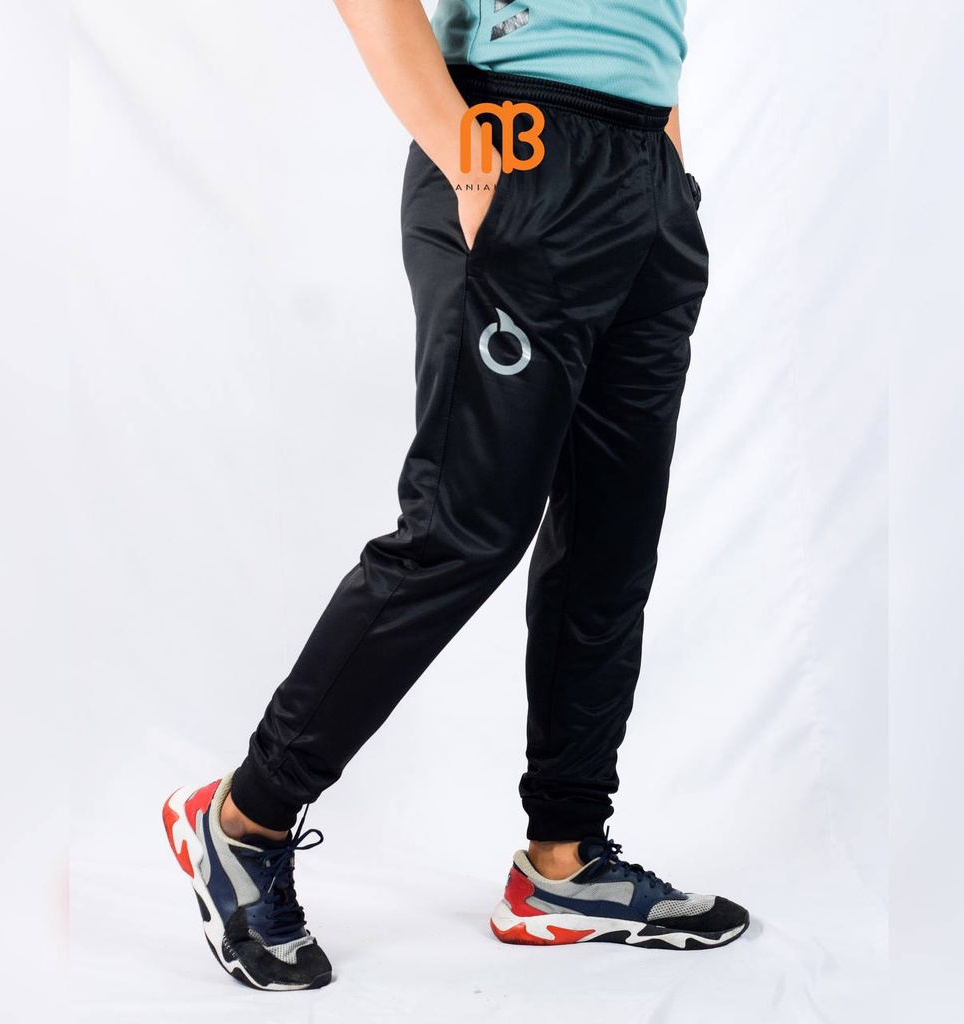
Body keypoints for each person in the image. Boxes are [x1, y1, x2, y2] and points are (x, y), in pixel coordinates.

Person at [162, 0, 749, 992]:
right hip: (515, 143)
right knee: (464, 529)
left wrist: (669, 178)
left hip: (644, 177)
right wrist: (473, 166)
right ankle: (244, 819)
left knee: (612, 539)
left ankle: (565, 861)